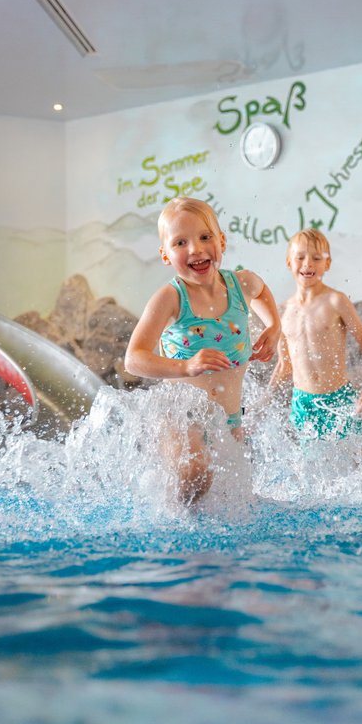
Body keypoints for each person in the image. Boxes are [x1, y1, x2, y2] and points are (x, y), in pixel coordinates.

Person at [125, 196, 280, 503]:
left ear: (221, 241)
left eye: (204, 237)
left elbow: (262, 290)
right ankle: (175, 537)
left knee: (225, 497)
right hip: (179, 417)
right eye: (180, 242)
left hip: (229, 420)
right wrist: (186, 367)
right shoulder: (170, 298)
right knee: (195, 471)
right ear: (165, 254)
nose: (195, 249)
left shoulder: (242, 285)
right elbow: (134, 359)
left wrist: (274, 327)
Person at [269, 228, 362, 441]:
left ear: (327, 264)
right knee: (309, 464)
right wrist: (262, 401)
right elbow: (285, 365)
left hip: (339, 398)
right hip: (303, 403)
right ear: (289, 262)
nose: (308, 264)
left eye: (316, 258)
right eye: (300, 257)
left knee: (356, 460)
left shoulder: (336, 301)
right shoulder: (283, 311)